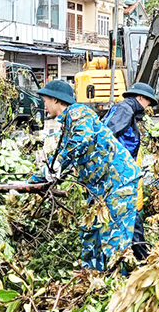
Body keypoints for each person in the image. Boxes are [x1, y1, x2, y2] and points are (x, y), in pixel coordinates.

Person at [28, 80, 141, 272]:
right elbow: (61, 156)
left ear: (56, 100)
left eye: (46, 100)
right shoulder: (68, 124)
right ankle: (91, 280)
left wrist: (58, 164)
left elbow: (81, 140)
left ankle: (118, 286)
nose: (44, 105)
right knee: (90, 235)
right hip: (99, 188)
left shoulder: (79, 114)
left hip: (118, 184)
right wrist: (30, 183)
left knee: (114, 240)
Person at [101, 82, 157, 261]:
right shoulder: (124, 110)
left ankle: (138, 256)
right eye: (148, 102)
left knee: (129, 216)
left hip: (122, 173)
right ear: (141, 98)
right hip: (118, 174)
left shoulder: (127, 111)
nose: (148, 107)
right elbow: (106, 136)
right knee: (129, 216)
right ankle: (140, 258)